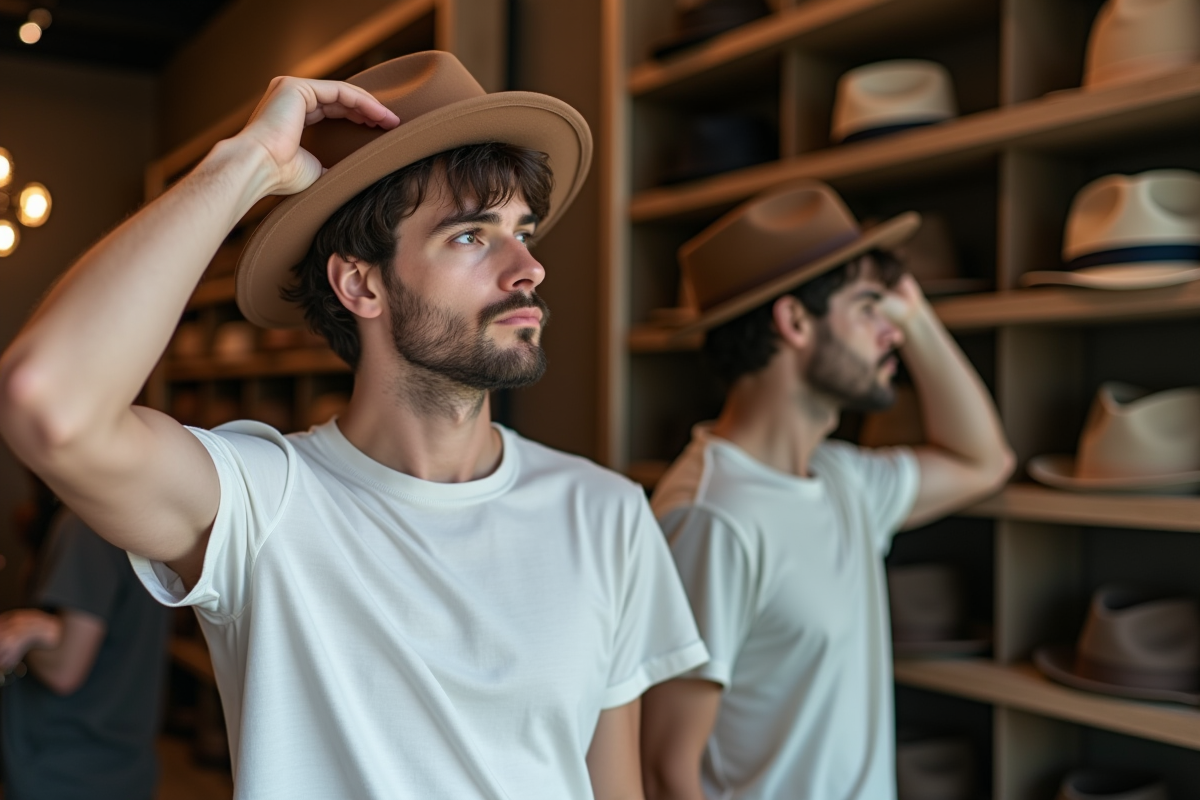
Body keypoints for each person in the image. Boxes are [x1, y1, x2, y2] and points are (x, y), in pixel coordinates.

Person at [0, 51, 707, 799]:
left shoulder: (605, 513)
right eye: (471, 235)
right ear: (360, 283)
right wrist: (247, 163)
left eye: (521, 230)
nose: (526, 266)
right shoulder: (262, 501)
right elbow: (49, 402)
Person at [639, 181, 1015, 800]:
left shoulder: (845, 480)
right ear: (793, 321)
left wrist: (914, 317)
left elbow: (984, 459)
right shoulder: (712, 516)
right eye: (870, 307)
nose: (889, 329)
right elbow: (663, 768)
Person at [0, 502, 169, 800]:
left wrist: (30, 632)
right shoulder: (148, 519)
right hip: (122, 765)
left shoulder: (87, 525)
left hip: (64, 770)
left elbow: (65, 669)